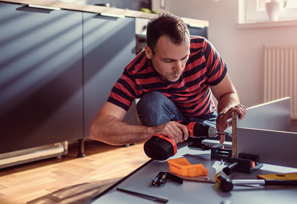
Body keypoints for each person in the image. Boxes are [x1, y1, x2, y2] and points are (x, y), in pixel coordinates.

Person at [89, 12, 246, 146]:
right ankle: (165, 149)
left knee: (242, 145)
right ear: (149, 53)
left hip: (206, 120)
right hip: (167, 131)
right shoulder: (135, 72)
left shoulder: (203, 50)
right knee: (152, 102)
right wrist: (153, 131)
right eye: (169, 61)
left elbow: (228, 93)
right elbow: (98, 128)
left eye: (184, 58)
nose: (179, 68)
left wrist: (224, 114)